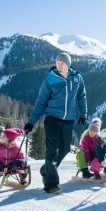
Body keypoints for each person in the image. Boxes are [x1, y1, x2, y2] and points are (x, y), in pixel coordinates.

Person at [24, 52, 88, 194]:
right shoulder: (50, 79)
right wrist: (31, 122)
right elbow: (40, 102)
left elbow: (81, 97)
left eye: (62, 63)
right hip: (52, 118)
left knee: (65, 149)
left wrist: (83, 114)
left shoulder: (77, 78)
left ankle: (47, 169)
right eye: (57, 62)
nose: (59, 65)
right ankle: (51, 183)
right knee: (52, 150)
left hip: (68, 120)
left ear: (68, 64)